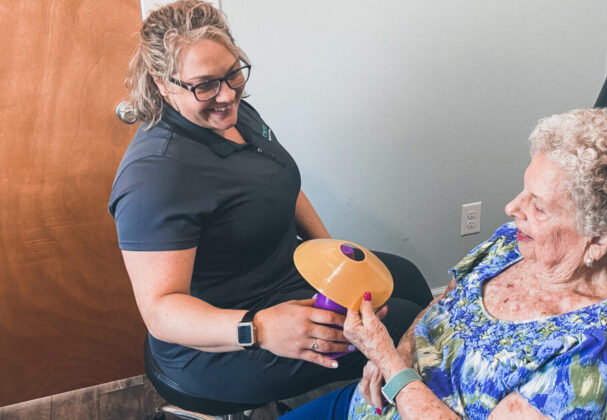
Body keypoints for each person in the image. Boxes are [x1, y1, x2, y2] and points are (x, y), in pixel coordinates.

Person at [108, 0, 433, 407]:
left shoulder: (235, 116)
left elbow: (281, 184)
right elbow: (160, 312)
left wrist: (336, 264)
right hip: (218, 340)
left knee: (404, 278)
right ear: (161, 83)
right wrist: (257, 329)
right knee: (405, 326)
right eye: (204, 84)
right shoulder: (156, 176)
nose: (226, 95)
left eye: (232, 74)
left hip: (279, 274)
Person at [279, 108, 607, 419]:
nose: (512, 208)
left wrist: (387, 361)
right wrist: (398, 353)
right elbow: (442, 308)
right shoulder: (511, 243)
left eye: (538, 206)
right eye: (524, 191)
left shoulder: (601, 351)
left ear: (601, 238)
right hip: (376, 406)